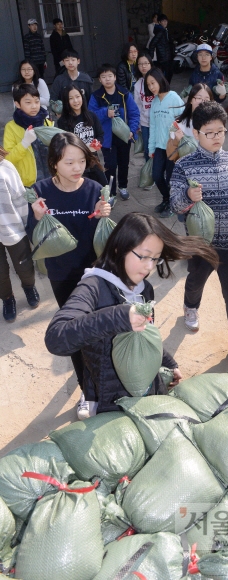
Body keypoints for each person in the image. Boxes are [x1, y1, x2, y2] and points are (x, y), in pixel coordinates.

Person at [44, 212, 219, 417]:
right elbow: (56, 338)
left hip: (146, 385)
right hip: (109, 399)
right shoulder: (92, 287)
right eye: (143, 256)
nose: (149, 267)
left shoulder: (144, 290)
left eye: (155, 259)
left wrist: (167, 362)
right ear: (119, 248)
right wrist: (119, 317)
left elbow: (145, 335)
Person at [26, 132, 111, 418]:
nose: (77, 168)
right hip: (61, 274)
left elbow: (103, 235)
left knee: (99, 329)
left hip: (93, 273)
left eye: (81, 161)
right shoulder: (40, 191)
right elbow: (31, 234)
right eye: (69, 162)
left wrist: (103, 214)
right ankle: (87, 391)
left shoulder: (95, 188)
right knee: (76, 333)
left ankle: (107, 382)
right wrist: (37, 218)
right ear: (53, 164)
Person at [170, 101, 228, 356]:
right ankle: (190, 305)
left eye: (221, 131)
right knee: (196, 280)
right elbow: (176, 203)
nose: (217, 137)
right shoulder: (184, 166)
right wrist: (188, 194)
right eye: (210, 132)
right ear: (196, 134)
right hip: (201, 244)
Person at [88, 64, 140, 200]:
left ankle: (123, 186)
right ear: (99, 79)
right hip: (107, 139)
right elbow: (90, 115)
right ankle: (110, 192)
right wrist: (105, 112)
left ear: (115, 77)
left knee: (124, 163)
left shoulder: (124, 94)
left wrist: (132, 131)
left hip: (123, 136)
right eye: (104, 77)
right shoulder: (96, 96)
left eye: (110, 76)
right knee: (110, 166)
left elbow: (134, 114)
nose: (107, 79)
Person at [0, 145, 39, 323]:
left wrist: (27, 225)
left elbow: (20, 198)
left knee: (24, 265)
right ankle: (7, 298)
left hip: (12, 227)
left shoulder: (6, 167)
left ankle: (29, 287)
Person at [146, 67, 184, 217]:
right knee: (156, 176)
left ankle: (173, 205)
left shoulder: (174, 97)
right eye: (148, 85)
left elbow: (184, 121)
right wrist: (151, 148)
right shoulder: (154, 102)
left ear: (160, 80)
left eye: (153, 83)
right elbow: (153, 126)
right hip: (160, 147)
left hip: (173, 147)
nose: (151, 87)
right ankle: (166, 199)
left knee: (171, 179)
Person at [3, 84, 54, 187]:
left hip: (53, 180)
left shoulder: (46, 122)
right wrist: (24, 143)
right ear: (17, 104)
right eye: (28, 102)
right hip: (28, 185)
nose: (34, 106)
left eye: (37, 101)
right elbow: (7, 159)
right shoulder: (11, 127)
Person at [57, 84, 107, 186]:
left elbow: (100, 134)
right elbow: (66, 144)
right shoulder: (63, 121)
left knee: (103, 186)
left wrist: (97, 143)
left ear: (82, 97)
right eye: (71, 98)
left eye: (77, 96)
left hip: (93, 159)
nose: (75, 101)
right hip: (77, 163)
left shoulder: (91, 115)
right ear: (66, 101)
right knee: (84, 189)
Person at [166, 83, 214, 162]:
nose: (202, 102)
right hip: (185, 171)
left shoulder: (214, 125)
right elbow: (171, 156)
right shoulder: (179, 125)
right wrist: (175, 141)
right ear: (191, 99)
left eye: (206, 99)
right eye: (199, 98)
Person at [133, 52, 154, 162]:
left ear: (151, 64)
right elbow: (137, 106)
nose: (143, 66)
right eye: (140, 64)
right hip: (145, 123)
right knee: (147, 149)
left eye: (146, 63)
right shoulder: (137, 85)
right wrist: (138, 124)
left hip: (159, 121)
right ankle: (149, 173)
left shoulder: (158, 81)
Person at [148, 14, 174, 83]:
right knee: (166, 75)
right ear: (159, 22)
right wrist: (151, 56)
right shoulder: (161, 31)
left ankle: (165, 88)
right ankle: (164, 88)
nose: (165, 22)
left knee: (168, 74)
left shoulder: (164, 30)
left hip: (166, 56)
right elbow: (152, 43)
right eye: (163, 21)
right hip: (163, 58)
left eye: (166, 21)